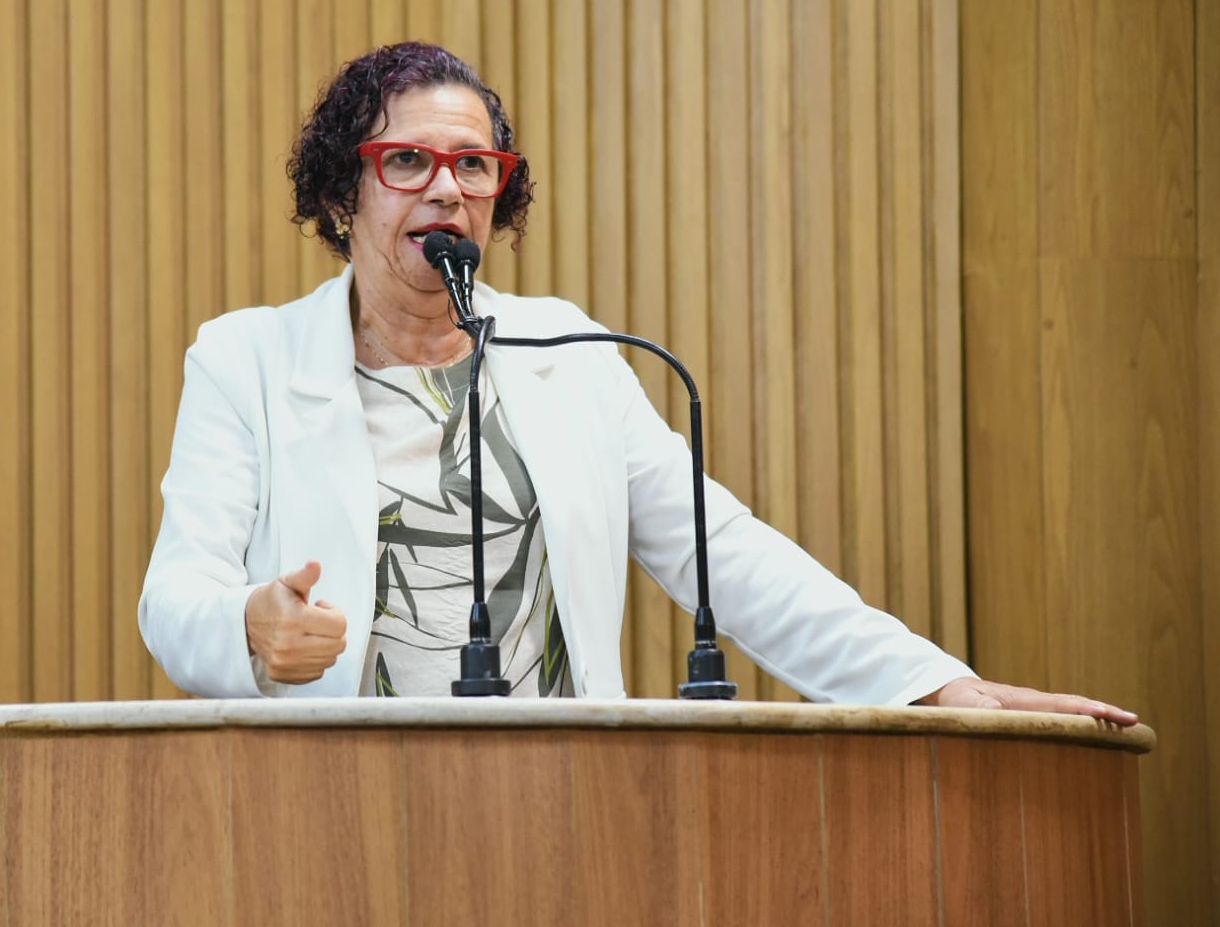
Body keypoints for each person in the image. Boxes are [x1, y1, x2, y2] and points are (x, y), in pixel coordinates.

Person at [138, 41, 1135, 723]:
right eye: (407, 160)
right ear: (338, 193)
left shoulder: (567, 353)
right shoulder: (247, 360)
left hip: (563, 802)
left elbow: (723, 553)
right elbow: (176, 593)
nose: (446, 187)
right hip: (330, 810)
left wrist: (929, 683)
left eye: (474, 165)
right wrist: (247, 628)